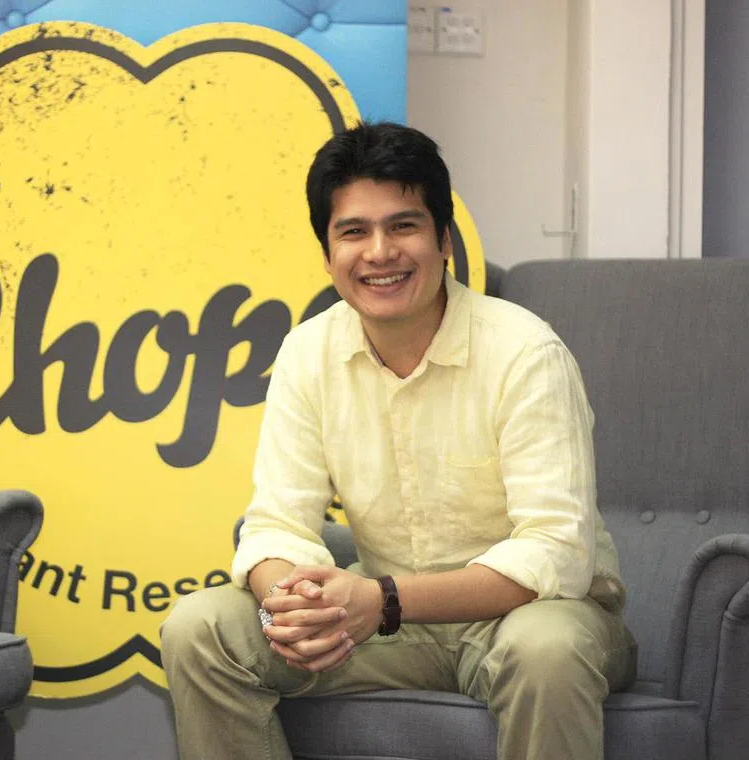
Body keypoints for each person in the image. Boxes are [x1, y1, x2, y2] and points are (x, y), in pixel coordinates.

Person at [160, 121, 637, 760]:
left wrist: (382, 600)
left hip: (530, 617)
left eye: (403, 226)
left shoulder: (526, 353)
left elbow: (554, 553)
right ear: (327, 254)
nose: (379, 252)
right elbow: (276, 525)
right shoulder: (307, 353)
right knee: (199, 628)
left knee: (546, 649)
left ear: (444, 241)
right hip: (387, 625)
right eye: (354, 232)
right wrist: (293, 602)